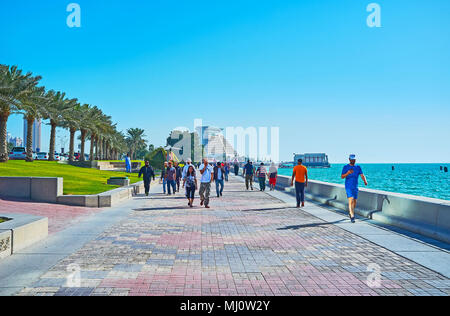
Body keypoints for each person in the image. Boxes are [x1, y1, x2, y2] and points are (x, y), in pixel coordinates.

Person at [341, 154, 368, 223]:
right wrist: (348, 173)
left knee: (354, 201)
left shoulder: (358, 167)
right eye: (352, 159)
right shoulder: (345, 167)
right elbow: (342, 176)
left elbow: (362, 175)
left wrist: (365, 181)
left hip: (355, 186)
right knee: (351, 200)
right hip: (348, 186)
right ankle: (352, 215)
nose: (353, 160)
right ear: (349, 159)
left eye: (354, 159)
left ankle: (351, 211)